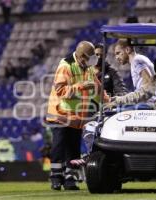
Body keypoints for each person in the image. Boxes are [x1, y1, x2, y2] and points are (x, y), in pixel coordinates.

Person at [46, 41, 109, 191]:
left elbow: (98, 87)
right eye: (86, 59)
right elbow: (60, 91)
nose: (87, 63)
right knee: (58, 147)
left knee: (73, 149)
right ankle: (56, 177)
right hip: (60, 114)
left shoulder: (87, 68)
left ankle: (70, 179)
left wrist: (108, 101)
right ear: (80, 55)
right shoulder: (66, 66)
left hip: (76, 117)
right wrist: (81, 87)